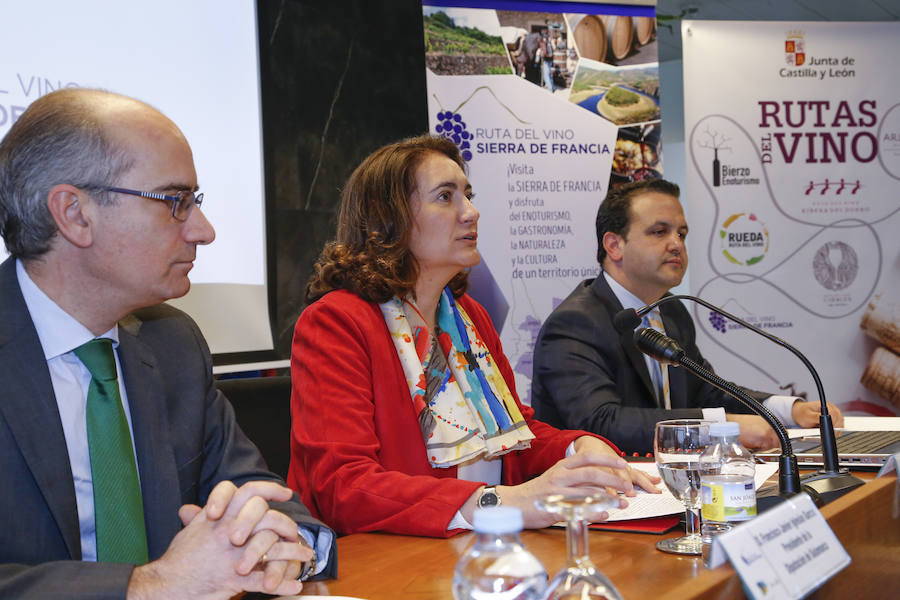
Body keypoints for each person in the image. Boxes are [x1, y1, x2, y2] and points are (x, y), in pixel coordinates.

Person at [0, 88, 336, 599]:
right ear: (74, 214)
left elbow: (254, 491)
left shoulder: (172, 343)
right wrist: (145, 586)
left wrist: (279, 541)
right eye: (175, 202)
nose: (205, 231)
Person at [287, 134, 659, 537]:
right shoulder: (336, 322)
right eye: (446, 197)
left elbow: (517, 436)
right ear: (388, 219)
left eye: (468, 194)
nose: (471, 212)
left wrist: (580, 449)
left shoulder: (468, 317)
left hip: (473, 549)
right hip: (383, 561)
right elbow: (345, 487)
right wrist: (502, 502)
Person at [531, 178, 844, 454]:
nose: (677, 244)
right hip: (595, 502)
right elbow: (602, 422)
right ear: (614, 245)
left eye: (681, 233)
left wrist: (787, 410)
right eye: (659, 232)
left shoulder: (670, 308)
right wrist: (723, 426)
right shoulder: (575, 322)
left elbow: (705, 390)